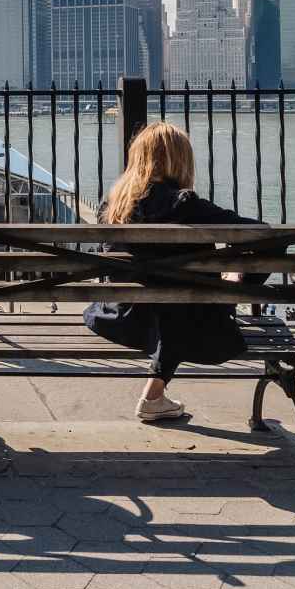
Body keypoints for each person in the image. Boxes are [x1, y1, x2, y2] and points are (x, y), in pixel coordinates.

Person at [83, 122, 260, 422]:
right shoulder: (186, 205)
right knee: (179, 303)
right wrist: (236, 279)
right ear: (180, 159)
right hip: (186, 320)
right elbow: (262, 234)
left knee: (171, 301)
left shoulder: (113, 204)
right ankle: (153, 397)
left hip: (121, 316)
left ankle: (155, 396)